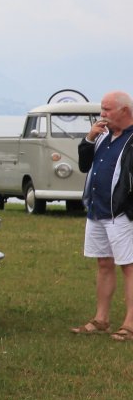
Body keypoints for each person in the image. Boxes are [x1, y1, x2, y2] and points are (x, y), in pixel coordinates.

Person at [72, 90, 133, 340]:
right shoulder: (102, 135)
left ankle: (130, 324)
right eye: (102, 109)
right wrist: (88, 139)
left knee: (129, 266)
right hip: (97, 210)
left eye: (107, 109)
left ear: (124, 111)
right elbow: (84, 165)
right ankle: (101, 319)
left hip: (122, 213)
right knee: (104, 263)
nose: (102, 114)